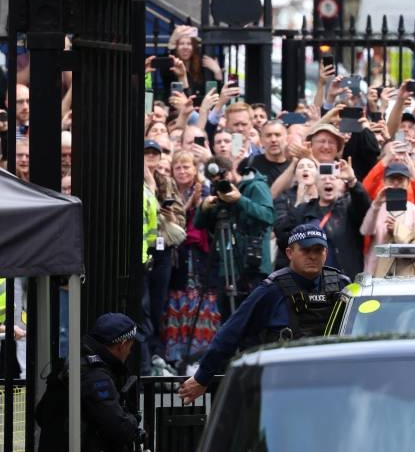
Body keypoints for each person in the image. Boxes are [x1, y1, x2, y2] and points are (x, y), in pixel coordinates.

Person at [178, 224, 349, 403]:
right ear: (290, 253)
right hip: (282, 389)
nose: (312, 256)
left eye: (318, 250)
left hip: (332, 386)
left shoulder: (342, 286)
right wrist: (202, 377)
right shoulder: (272, 290)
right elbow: (231, 333)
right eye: (305, 250)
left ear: (326, 253)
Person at [37, 313, 144, 452]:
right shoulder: (95, 375)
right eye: (130, 346)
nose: (130, 352)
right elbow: (119, 428)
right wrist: (133, 420)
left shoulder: (73, 361)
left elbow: (40, 414)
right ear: (122, 345)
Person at [194, 155, 276, 314]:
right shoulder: (219, 196)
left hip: (253, 266)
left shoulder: (255, 186)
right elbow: (198, 225)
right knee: (227, 316)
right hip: (227, 266)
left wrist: (240, 200)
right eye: (215, 181)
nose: (221, 183)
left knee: (252, 318)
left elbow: (268, 217)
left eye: (223, 178)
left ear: (231, 171)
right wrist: (203, 207)